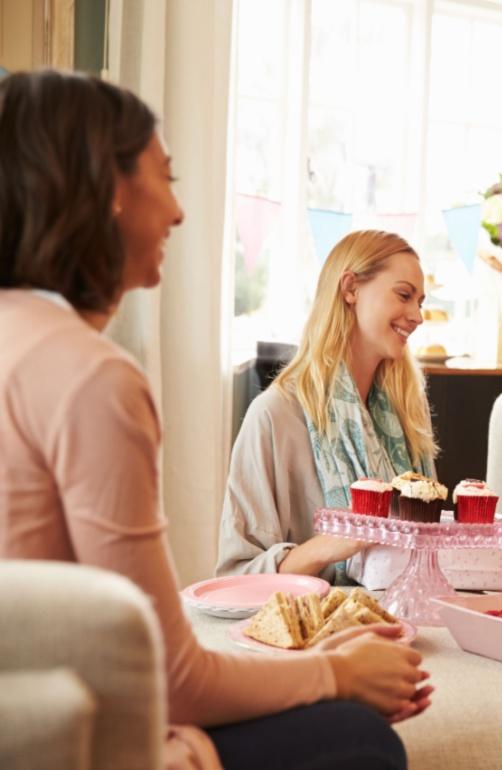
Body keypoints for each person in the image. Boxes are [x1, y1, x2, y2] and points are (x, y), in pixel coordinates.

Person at [0, 70, 430, 770]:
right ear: (107, 191)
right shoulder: (92, 376)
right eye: (163, 177)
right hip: (78, 723)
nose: (177, 212)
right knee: (363, 739)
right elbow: (169, 678)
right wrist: (334, 674)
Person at [215, 229, 437, 582]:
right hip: (320, 627)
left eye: (420, 302)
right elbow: (237, 575)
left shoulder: (407, 413)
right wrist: (332, 544)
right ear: (350, 288)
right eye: (404, 295)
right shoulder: (274, 416)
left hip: (405, 617)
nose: (417, 315)